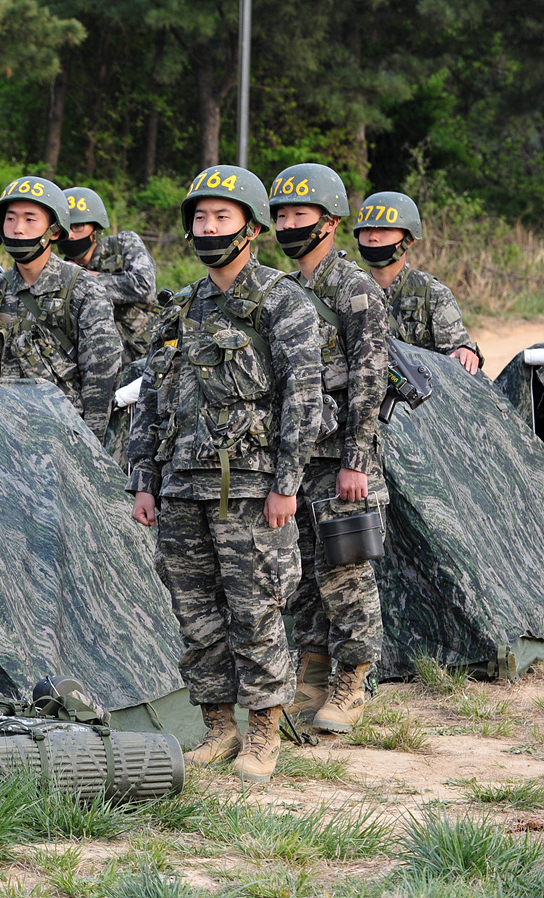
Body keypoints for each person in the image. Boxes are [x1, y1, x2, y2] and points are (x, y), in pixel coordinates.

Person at [127, 165, 322, 784]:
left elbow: (304, 396)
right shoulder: (180, 307)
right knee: (195, 613)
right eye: (200, 218)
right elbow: (152, 399)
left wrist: (287, 483)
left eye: (222, 217)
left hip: (250, 489)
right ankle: (218, 727)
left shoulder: (281, 301)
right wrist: (144, 479)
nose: (208, 229)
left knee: (257, 607)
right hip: (181, 486)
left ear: (251, 228)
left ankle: (264, 733)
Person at [269, 163, 388, 734]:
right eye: (282, 215)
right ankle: (311, 677)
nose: (290, 224)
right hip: (298, 457)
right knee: (305, 577)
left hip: (343, 460)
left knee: (346, 574)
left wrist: (355, 461)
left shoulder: (354, 287)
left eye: (301, 214)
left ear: (330, 221)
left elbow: (370, 377)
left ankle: (352, 680)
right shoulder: (285, 289)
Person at [0, 176, 121, 439]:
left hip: (59, 442)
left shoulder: (83, 289)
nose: (18, 229)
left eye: (30, 219)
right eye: (10, 219)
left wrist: (91, 448)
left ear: (54, 231)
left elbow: (101, 377)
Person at [354, 191, 482, 374]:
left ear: (409, 239)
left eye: (384, 229)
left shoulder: (433, 293)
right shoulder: (350, 290)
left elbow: (456, 350)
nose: (373, 237)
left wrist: (465, 352)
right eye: (365, 229)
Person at [58, 186, 158, 365]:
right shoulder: (59, 269)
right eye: (66, 228)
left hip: (141, 355)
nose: (71, 235)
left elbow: (144, 287)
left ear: (95, 228)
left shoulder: (123, 244)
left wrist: (85, 279)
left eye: (78, 226)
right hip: (91, 360)